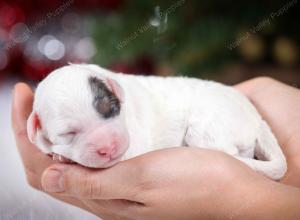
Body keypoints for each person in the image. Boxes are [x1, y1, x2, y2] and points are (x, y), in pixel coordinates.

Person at [12, 77, 300, 220]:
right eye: (69, 133)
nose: (106, 144)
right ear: (36, 128)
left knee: (208, 140)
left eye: (109, 112)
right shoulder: (45, 123)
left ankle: (237, 160)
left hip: (222, 109)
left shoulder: (125, 93)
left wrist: (249, 200)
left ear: (116, 92)